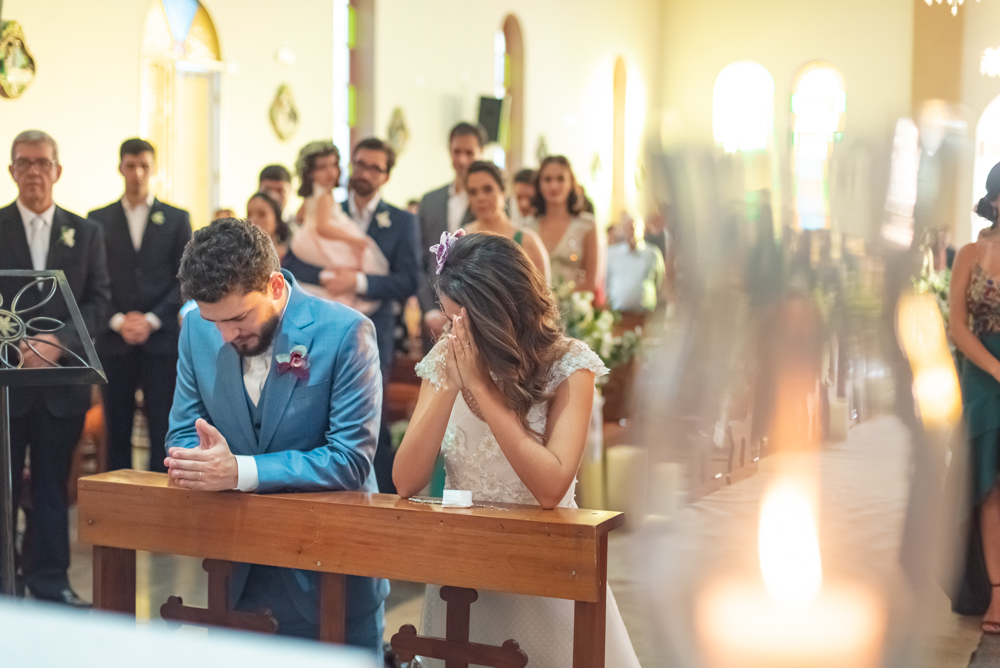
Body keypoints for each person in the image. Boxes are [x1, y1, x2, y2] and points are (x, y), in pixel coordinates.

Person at [392, 232, 640, 667]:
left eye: (463, 322)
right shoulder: (445, 360)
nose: (455, 333)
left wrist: (483, 390)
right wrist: (451, 383)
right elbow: (406, 481)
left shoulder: (569, 366)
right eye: (450, 320)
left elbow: (550, 487)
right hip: (462, 577)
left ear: (502, 315)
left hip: (544, 573)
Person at [164, 218, 388, 653]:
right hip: (234, 573)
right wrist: (198, 462)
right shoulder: (196, 329)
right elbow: (182, 432)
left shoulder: (346, 333)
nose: (226, 335)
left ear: (275, 287)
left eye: (239, 318)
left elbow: (350, 459)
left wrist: (239, 471)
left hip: (330, 575)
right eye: (215, 322)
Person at [0, 130, 112, 606]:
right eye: (23, 163)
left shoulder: (85, 233)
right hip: (6, 385)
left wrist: (57, 340)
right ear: (11, 171)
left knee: (51, 488)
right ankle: (5, 582)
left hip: (61, 383)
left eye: (42, 163)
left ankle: (49, 583)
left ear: (57, 171)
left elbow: (100, 300)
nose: (33, 172)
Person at [283, 137, 419, 495]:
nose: (365, 173)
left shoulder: (402, 221)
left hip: (374, 329)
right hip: (327, 325)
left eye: (375, 167)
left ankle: (381, 497)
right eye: (360, 164)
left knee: (371, 410)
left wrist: (356, 280)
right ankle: (325, 490)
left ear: (386, 175)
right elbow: (295, 262)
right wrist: (328, 279)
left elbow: (407, 280)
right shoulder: (326, 207)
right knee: (320, 408)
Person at [88, 138, 191, 475]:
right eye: (131, 166)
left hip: (160, 342)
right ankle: (120, 505)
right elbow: (93, 279)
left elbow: (185, 279)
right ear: (120, 168)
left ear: (153, 169)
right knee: (116, 430)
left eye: (144, 166)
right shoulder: (97, 220)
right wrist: (117, 320)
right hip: (114, 341)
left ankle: (158, 506)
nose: (137, 173)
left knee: (163, 428)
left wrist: (151, 319)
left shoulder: (176, 219)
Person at [948, 161, 1000, 631]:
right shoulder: (970, 252)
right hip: (985, 375)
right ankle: (997, 595)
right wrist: (996, 369)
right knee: (990, 487)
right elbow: (957, 326)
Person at [286, 141, 388, 313]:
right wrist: (352, 239)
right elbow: (323, 228)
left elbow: (300, 216)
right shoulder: (325, 196)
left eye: (333, 165)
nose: (330, 172)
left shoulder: (314, 196)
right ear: (309, 172)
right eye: (322, 167)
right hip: (322, 241)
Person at [417, 122, 486, 346]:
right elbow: (420, 260)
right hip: (434, 319)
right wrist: (429, 310)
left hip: (476, 318)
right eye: (457, 152)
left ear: (481, 153)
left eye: (469, 153)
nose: (462, 160)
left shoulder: (488, 204)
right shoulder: (430, 201)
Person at [523, 156, 606, 297]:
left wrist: (562, 302)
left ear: (570, 183)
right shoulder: (528, 226)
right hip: (536, 307)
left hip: (575, 309)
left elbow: (591, 281)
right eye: (547, 179)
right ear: (539, 184)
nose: (554, 186)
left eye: (560, 179)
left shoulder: (586, 224)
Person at [462, 161, 549, 281]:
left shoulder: (527, 241)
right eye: (473, 192)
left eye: (488, 190)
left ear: (503, 192)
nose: (480, 198)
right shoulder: (462, 237)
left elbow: (545, 295)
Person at [605, 213, 665, 319]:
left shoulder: (653, 254)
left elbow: (660, 282)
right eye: (627, 228)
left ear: (643, 230)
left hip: (646, 314)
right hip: (618, 314)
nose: (631, 231)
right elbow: (606, 282)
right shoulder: (611, 254)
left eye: (634, 227)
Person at [247, 190, 291, 260]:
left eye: (261, 214)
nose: (253, 220)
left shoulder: (292, 255)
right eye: (249, 214)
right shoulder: (240, 259)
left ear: (276, 219)